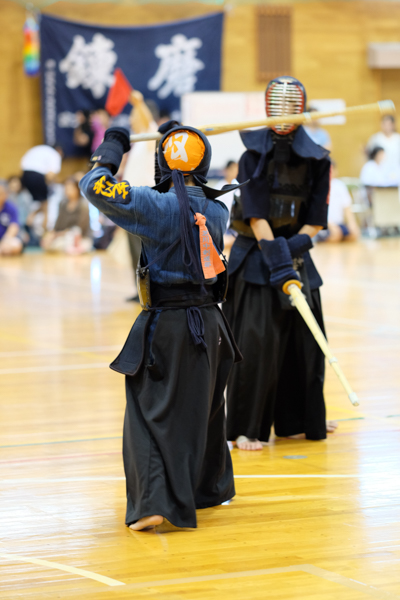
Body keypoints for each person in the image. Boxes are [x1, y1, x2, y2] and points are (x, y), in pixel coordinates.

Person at [80, 123, 243, 531]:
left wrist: (112, 148)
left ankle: (155, 502)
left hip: (169, 325)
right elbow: (193, 193)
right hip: (212, 325)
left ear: (160, 163)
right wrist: (177, 141)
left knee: (147, 411)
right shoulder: (218, 208)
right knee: (200, 407)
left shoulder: (152, 206)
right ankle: (206, 490)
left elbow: (93, 185)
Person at [224, 76, 336, 451]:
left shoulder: (319, 159)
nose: (285, 114)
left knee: (305, 344)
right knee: (256, 346)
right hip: (257, 256)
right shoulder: (251, 155)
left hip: (297, 255)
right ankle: (245, 427)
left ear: (302, 110)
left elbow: (317, 218)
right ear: (269, 109)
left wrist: (293, 250)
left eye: (292, 106)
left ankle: (298, 420)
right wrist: (276, 260)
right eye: (278, 106)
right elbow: (255, 215)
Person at [41, 176, 92, 254]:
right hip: (62, 236)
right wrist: (51, 234)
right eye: (66, 188)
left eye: (70, 188)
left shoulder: (83, 205)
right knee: (49, 243)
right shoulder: (63, 204)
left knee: (73, 243)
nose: (67, 191)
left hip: (81, 238)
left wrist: (57, 235)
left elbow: (80, 229)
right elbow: (58, 224)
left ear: (77, 189)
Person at [20, 143, 63, 231]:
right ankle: (45, 229)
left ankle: (31, 218)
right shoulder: (55, 154)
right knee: (46, 205)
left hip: (25, 176)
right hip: (37, 176)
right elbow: (51, 175)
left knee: (41, 203)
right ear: (59, 150)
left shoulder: (38, 149)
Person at [317, 162, 360, 242]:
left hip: (339, 223)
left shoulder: (340, 185)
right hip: (325, 226)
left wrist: (352, 224)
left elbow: (347, 207)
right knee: (335, 236)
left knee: (354, 234)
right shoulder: (319, 186)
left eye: (333, 169)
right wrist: (331, 226)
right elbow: (319, 211)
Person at [0, 180, 23, 256]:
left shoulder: (11, 208)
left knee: (16, 245)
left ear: (6, 194)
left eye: (1, 193)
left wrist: (4, 241)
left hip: (5, 240)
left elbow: (14, 227)